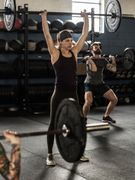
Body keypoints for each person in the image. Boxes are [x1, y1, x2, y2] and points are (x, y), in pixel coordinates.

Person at [40, 9, 89, 166]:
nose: (70, 42)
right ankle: (49, 154)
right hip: (59, 93)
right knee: (53, 124)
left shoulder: (74, 52)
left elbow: (84, 35)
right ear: (60, 42)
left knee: (77, 123)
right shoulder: (55, 54)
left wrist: (86, 18)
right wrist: (44, 17)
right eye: (67, 40)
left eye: (70, 40)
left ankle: (78, 152)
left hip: (73, 94)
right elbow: (47, 36)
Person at [82, 42, 118, 123]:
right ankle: (83, 118)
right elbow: (94, 70)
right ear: (91, 50)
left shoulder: (103, 60)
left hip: (100, 83)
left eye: (99, 46)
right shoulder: (88, 60)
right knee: (88, 102)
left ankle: (106, 116)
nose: (98, 47)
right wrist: (90, 60)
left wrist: (113, 60)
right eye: (95, 47)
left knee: (114, 99)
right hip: (89, 83)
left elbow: (114, 69)